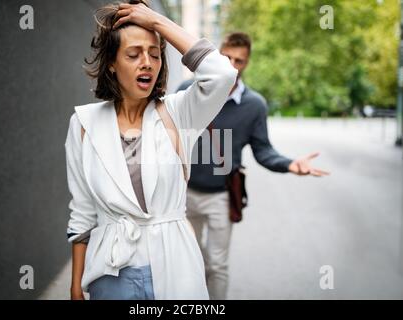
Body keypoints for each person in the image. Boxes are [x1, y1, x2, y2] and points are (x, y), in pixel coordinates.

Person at [64, 0, 237, 300]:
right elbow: (82, 213)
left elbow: (222, 74)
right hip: (110, 272)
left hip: (176, 267)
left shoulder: (180, 112)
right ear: (111, 64)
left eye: (155, 54)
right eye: (133, 54)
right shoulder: (83, 124)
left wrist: (158, 23)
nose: (147, 62)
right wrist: (76, 285)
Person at [176, 32, 329, 300]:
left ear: (246, 63)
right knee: (188, 262)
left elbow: (263, 151)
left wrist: (290, 164)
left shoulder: (254, 105)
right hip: (183, 195)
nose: (232, 65)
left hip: (222, 196)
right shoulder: (186, 91)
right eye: (227, 58)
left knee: (217, 265)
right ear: (217, 56)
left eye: (240, 61)